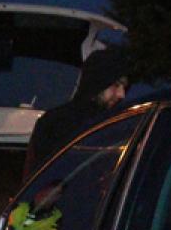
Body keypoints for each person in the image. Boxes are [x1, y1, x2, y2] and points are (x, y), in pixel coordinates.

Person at [23, 46, 129, 179]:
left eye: (124, 87)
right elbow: (32, 182)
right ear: (98, 83)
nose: (121, 94)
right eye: (116, 85)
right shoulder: (53, 124)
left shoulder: (119, 125)